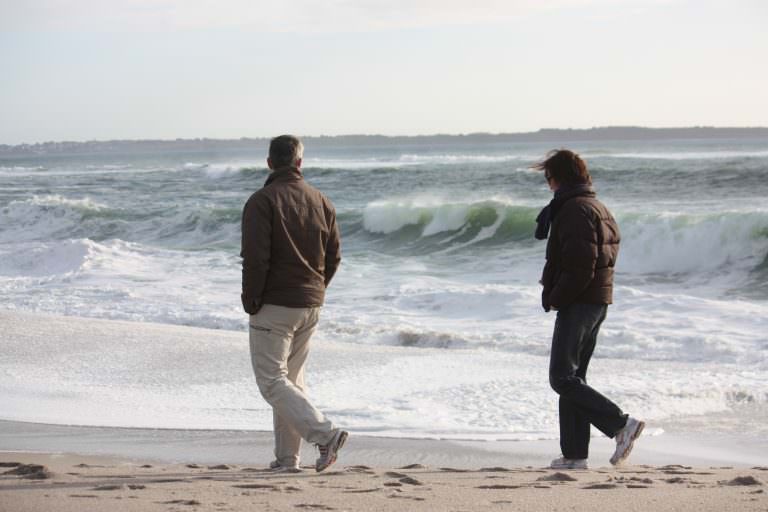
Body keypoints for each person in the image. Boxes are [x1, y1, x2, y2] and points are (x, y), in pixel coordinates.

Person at [241, 134, 347, 473]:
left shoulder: (262, 201)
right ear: (299, 163)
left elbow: (255, 259)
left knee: (272, 381)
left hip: (275, 304)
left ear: (270, 162)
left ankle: (326, 434)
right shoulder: (322, 201)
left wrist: (251, 300)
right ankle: (287, 459)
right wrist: (317, 289)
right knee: (292, 382)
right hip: (310, 303)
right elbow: (335, 257)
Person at [534, 149, 644, 470]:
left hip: (580, 301)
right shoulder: (596, 205)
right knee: (574, 379)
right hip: (596, 300)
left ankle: (621, 424)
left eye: (549, 178)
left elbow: (582, 266)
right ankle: (574, 456)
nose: (548, 185)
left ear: (560, 177)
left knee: (561, 378)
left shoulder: (574, 210)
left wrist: (557, 296)